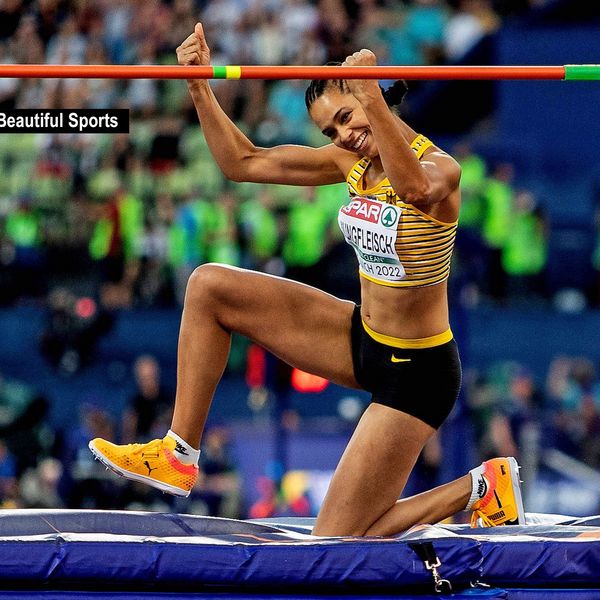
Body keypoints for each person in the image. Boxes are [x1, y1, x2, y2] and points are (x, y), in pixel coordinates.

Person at [89, 23, 525, 535]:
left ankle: (481, 487)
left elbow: (412, 188)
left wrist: (370, 96)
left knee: (335, 541)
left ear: (374, 96)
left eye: (345, 117)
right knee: (209, 286)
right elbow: (242, 162)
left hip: (418, 373)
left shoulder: (441, 169)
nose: (342, 136)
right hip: (360, 337)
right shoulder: (353, 164)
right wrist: (198, 86)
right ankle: (177, 453)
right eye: (330, 132)